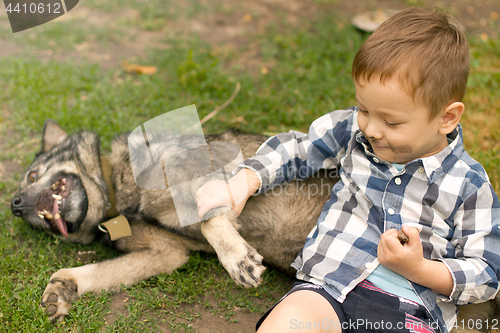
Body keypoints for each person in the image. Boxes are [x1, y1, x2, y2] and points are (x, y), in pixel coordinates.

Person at [195, 7, 500, 333]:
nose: (371, 128)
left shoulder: (469, 185)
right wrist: (246, 179)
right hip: (326, 288)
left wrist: (420, 268)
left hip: (409, 312)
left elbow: (487, 273)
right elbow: (297, 148)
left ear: (447, 118)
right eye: (364, 108)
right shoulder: (351, 130)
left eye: (392, 121)